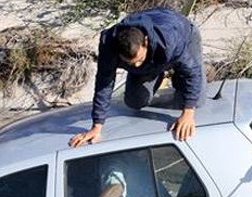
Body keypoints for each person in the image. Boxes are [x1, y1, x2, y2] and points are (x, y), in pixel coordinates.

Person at [69, 7, 207, 148]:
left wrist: (188, 113)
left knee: (197, 100)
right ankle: (158, 73)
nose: (136, 66)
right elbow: (104, 83)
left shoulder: (170, 39)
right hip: (155, 56)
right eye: (130, 64)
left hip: (184, 34)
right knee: (134, 102)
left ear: (145, 42)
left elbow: (192, 71)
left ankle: (174, 76)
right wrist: (96, 126)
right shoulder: (109, 45)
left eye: (139, 60)